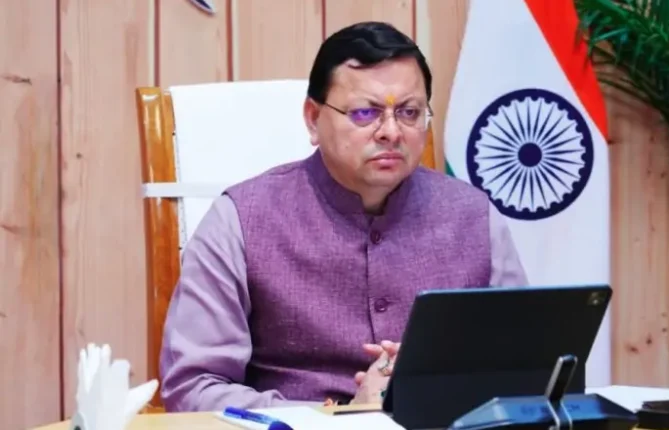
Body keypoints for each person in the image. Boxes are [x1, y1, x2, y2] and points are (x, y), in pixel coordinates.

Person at [159, 20, 528, 412]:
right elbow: (193, 387)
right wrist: (338, 417)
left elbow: (530, 365)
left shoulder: (475, 217)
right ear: (313, 119)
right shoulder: (240, 220)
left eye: (409, 112)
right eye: (365, 113)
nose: (391, 132)